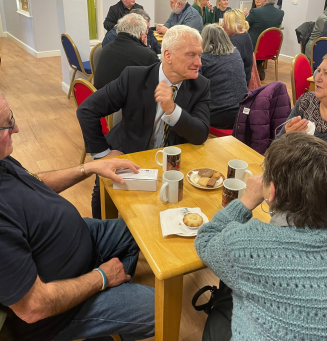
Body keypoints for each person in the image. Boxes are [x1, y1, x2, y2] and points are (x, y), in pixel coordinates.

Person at [0, 80, 155, 341]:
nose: (16, 129)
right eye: (5, 125)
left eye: (11, 117)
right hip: (53, 313)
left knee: (139, 231)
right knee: (160, 310)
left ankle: (108, 320)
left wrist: (89, 167)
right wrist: (100, 278)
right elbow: (33, 308)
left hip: (78, 246)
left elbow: (33, 181)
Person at [194, 132, 327, 341]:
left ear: (271, 192)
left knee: (219, 316)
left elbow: (206, 241)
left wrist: (246, 201)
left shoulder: (250, 245)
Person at [77, 25, 210, 218]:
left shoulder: (201, 85)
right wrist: (102, 155)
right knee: (104, 205)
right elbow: (87, 110)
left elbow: (200, 134)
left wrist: (172, 110)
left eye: (200, 55)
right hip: (129, 155)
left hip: (171, 166)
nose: (199, 62)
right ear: (168, 55)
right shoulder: (134, 77)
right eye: (191, 55)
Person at [276, 47, 327, 156]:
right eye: (318, 70)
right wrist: (287, 138)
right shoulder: (307, 102)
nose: (317, 78)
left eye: (326, 73)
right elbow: (274, 149)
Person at [94, 13, 159, 90]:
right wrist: (145, 48)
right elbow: (159, 80)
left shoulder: (107, 48)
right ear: (142, 35)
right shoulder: (146, 55)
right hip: (123, 100)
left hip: (101, 98)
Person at [200, 24, 247, 129]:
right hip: (241, 112)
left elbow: (195, 88)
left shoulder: (204, 59)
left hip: (218, 115)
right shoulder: (235, 53)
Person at [246, 0, 284, 80]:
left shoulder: (255, 11)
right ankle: (259, 66)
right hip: (270, 48)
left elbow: (245, 25)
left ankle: (251, 68)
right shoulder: (281, 13)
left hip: (254, 47)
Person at [223, 9, 253, 84]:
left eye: (226, 24)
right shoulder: (245, 35)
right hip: (246, 78)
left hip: (238, 83)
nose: (223, 26)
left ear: (237, 26)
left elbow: (229, 68)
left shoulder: (234, 41)